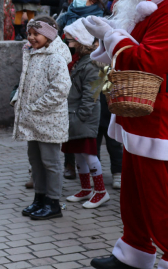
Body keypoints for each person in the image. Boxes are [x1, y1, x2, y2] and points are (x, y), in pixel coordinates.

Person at [84, 0, 168, 269]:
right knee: (133, 194)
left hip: (157, 117)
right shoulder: (149, 4)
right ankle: (133, 253)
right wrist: (107, 40)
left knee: (159, 197)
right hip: (139, 112)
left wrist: (111, 37)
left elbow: (148, 60)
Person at [14, 17, 71, 220]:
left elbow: (60, 89)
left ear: (48, 35)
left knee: (50, 162)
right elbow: (26, 83)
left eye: (36, 34)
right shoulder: (32, 54)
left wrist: (35, 107)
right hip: (32, 120)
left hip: (49, 120)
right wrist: (18, 100)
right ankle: (39, 198)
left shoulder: (55, 58)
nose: (31, 38)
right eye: (29, 34)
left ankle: (53, 202)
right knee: (35, 161)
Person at [62, 20, 109, 209]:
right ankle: (86, 189)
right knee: (79, 153)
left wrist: (80, 116)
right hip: (75, 115)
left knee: (89, 154)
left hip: (82, 116)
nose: (67, 41)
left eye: (70, 38)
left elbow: (91, 95)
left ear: (81, 39)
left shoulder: (92, 64)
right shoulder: (80, 61)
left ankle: (101, 191)